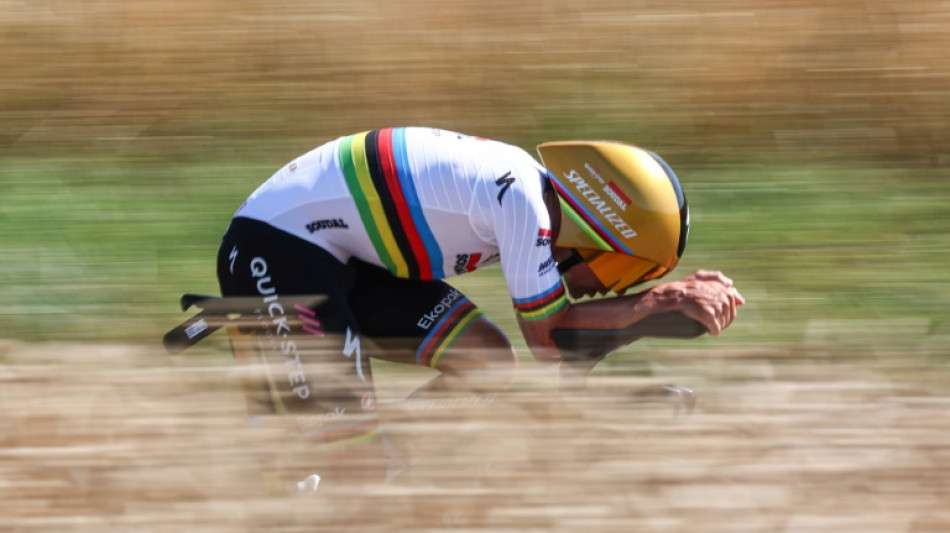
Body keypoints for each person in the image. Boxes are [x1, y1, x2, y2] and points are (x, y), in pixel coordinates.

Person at [213, 126, 744, 489]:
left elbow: (564, 354)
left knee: (485, 358)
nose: (606, 289)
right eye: (621, 272)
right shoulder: (524, 205)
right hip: (275, 249)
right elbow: (553, 342)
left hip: (337, 257)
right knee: (346, 473)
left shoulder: (528, 198)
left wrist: (640, 333)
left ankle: (381, 464)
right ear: (601, 231)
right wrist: (658, 303)